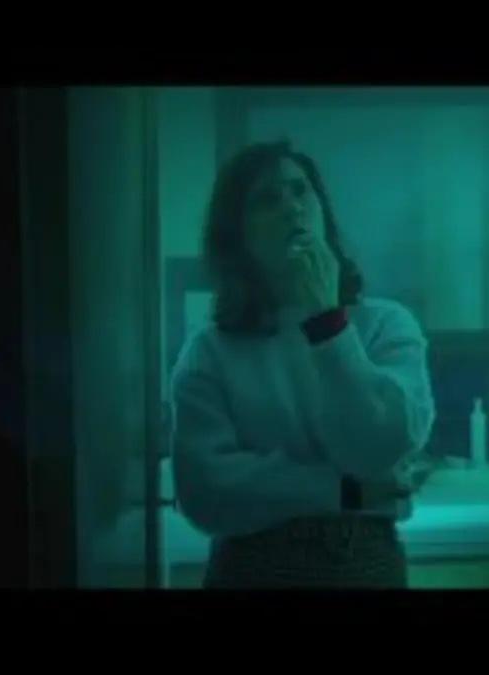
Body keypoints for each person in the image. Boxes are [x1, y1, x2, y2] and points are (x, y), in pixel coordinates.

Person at [169, 140, 436, 588]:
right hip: (254, 564)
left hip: (363, 560)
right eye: (268, 199)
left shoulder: (386, 325)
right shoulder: (211, 351)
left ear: (322, 212)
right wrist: (344, 490)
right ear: (238, 237)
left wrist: (327, 323)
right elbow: (206, 492)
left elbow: (379, 447)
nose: (292, 208)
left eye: (300, 190)